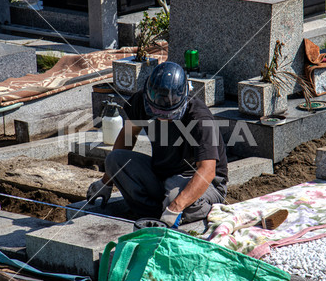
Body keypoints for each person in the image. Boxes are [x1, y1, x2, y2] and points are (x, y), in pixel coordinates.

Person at [86, 62, 228, 228]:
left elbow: (207, 170)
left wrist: (176, 206)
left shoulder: (199, 119)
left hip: (203, 182)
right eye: (156, 112)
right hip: (162, 175)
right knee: (115, 160)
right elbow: (128, 136)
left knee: (177, 198)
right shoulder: (141, 100)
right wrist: (106, 181)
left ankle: (172, 210)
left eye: (169, 114)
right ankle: (158, 215)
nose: (162, 117)